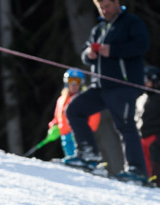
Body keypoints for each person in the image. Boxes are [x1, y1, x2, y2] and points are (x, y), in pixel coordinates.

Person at [64, 0, 150, 183]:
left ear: (117, 3)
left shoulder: (131, 22)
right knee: (74, 109)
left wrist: (113, 50)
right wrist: (89, 54)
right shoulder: (99, 28)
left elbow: (142, 45)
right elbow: (84, 54)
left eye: (107, 6)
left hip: (123, 85)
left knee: (125, 125)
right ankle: (88, 153)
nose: (104, 10)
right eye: (101, 7)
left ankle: (137, 171)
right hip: (100, 85)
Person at [49, 69, 100, 161]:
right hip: (65, 134)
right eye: (71, 80)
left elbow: (94, 117)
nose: (74, 84)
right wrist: (54, 125)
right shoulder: (61, 99)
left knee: (80, 154)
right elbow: (57, 116)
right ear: (66, 82)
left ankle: (88, 163)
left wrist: (86, 130)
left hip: (77, 134)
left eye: (77, 81)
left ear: (82, 83)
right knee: (69, 156)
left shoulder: (85, 99)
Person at [138, 65, 160, 183]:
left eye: (147, 80)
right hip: (144, 135)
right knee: (145, 163)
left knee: (156, 163)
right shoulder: (146, 97)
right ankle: (146, 180)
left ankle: (156, 183)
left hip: (155, 136)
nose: (145, 83)